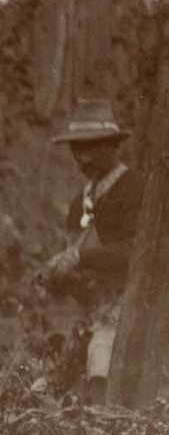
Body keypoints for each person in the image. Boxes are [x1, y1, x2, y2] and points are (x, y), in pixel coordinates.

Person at [42, 98, 143, 403]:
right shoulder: (79, 203)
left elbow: (135, 256)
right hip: (90, 310)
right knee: (47, 383)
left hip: (133, 308)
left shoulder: (135, 190)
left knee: (102, 356)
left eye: (92, 148)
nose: (83, 159)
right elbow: (76, 265)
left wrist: (80, 258)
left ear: (113, 147)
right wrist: (54, 274)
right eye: (77, 150)